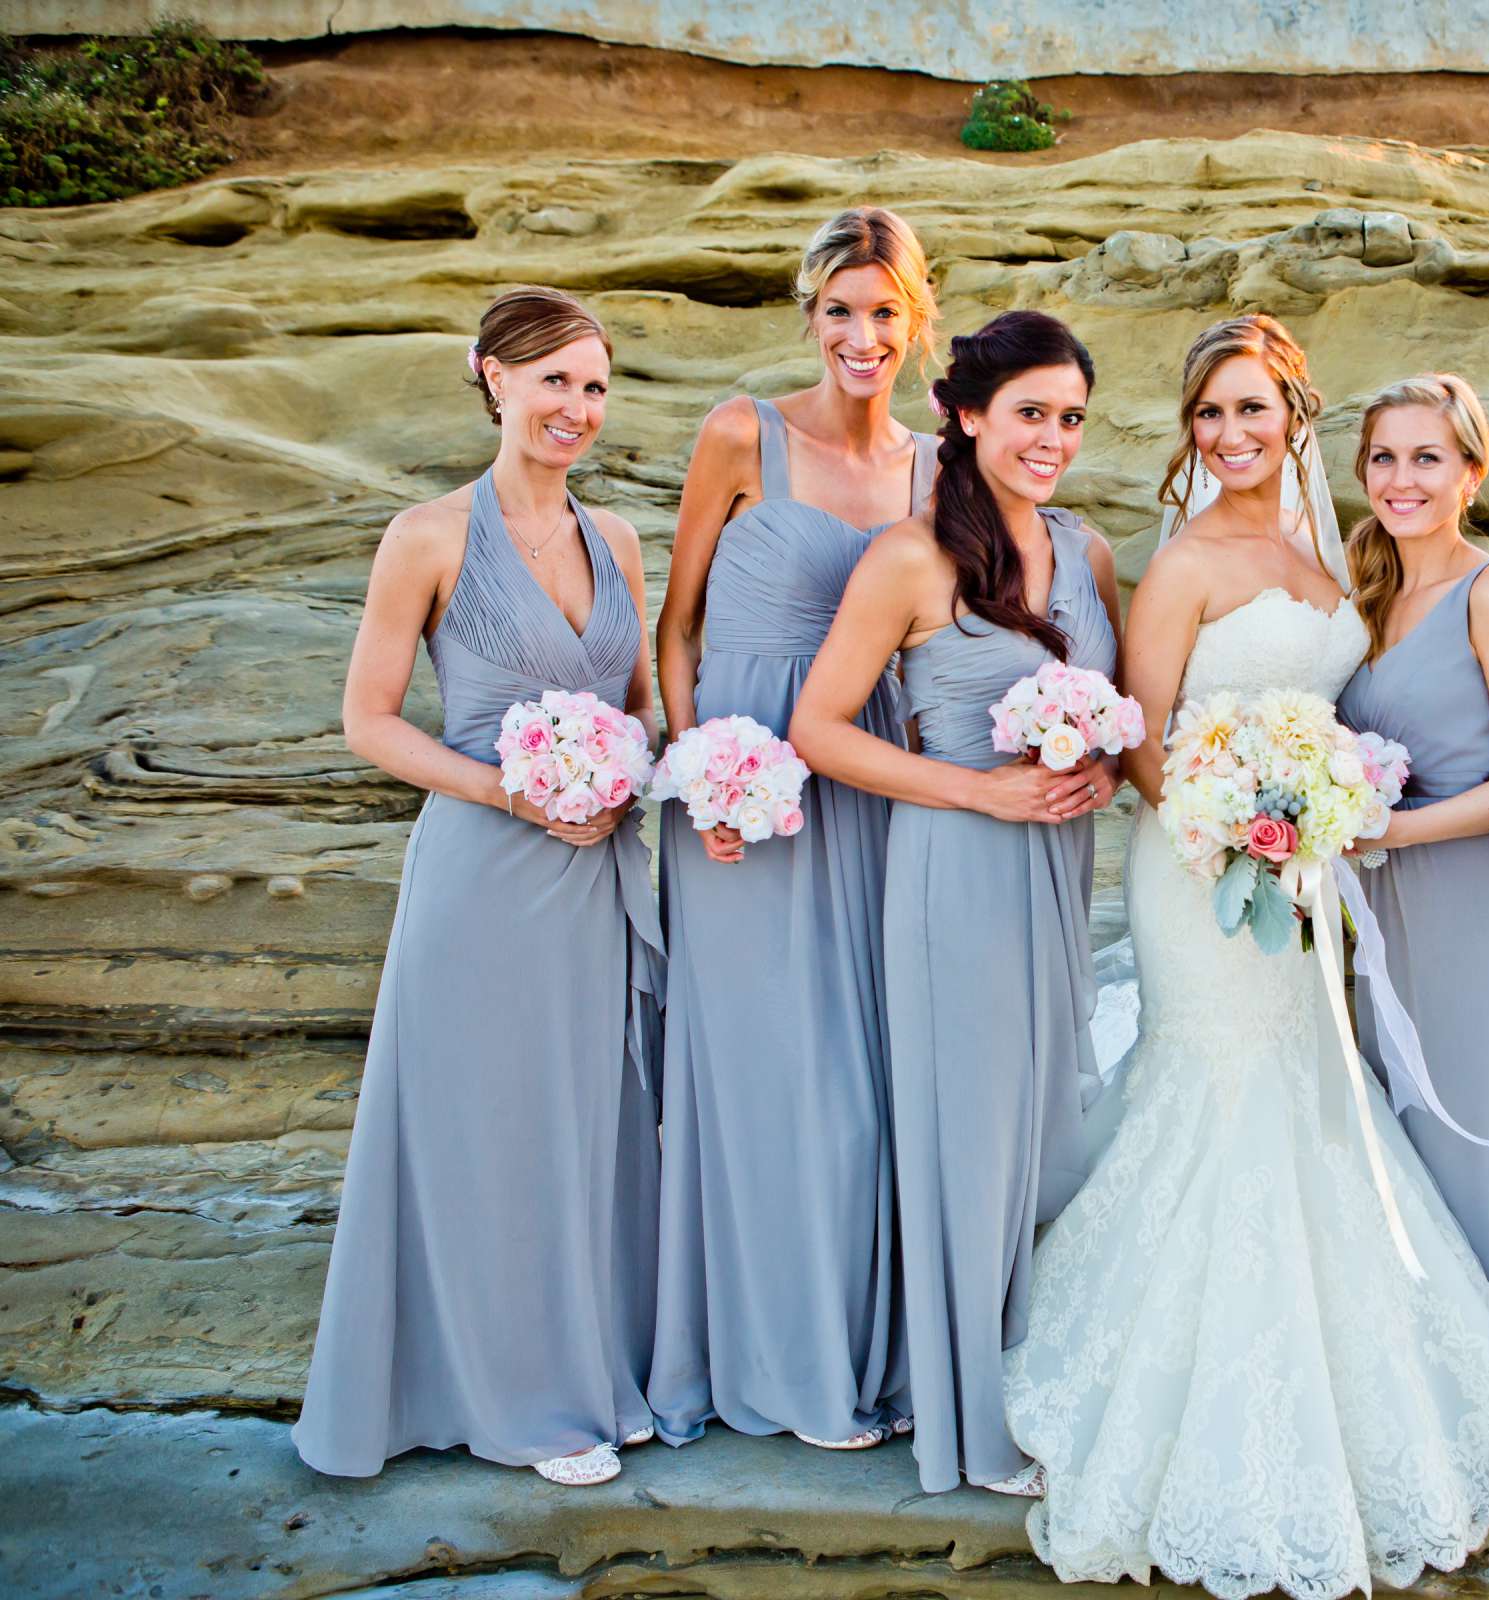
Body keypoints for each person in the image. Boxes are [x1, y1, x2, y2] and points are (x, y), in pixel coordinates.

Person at [1004, 316, 1489, 1599]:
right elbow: (1146, 741)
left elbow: (1353, 708)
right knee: (1215, 1084)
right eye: (1208, 415)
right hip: (1203, 862)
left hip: (1306, 864)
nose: (1230, 436)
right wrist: (1233, 828)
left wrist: (1310, 821)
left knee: (1315, 1093)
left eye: (1252, 411)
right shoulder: (1189, 561)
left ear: (1295, 418)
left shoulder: (1345, 558)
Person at [293, 287, 662, 1486]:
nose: (577, 408)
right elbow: (368, 722)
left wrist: (638, 772)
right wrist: (517, 792)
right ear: (491, 376)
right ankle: (522, 1406)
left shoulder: (619, 542)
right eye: (554, 379)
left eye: (595, 386)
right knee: (486, 1131)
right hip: (483, 872)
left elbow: (642, 702)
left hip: (597, 871)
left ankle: (597, 1368)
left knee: (589, 1123)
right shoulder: (429, 536)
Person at [789, 309, 1121, 1496]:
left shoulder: (1084, 553)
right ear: (967, 413)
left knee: (1042, 1124)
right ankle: (969, 1420)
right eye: (1031, 412)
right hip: (955, 870)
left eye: (1071, 418)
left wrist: (1102, 764)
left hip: (1055, 870)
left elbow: (1115, 713)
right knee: (970, 1136)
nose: (1052, 439)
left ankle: (1030, 1374)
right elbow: (819, 730)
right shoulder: (909, 557)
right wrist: (976, 794)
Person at [647, 208, 936, 1452]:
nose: (861, 336)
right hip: (745, 809)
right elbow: (678, 631)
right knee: (778, 1083)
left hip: (878, 789)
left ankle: (871, 1351)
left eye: (884, 311)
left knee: (872, 1082)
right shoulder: (740, 434)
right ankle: (782, 1370)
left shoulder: (937, 468)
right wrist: (699, 771)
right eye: (839, 311)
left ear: (917, 319)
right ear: (808, 316)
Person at [1333, 374, 1489, 1393]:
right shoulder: (1367, 591)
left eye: (1428, 458)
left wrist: (1398, 826)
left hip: (1480, 903)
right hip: (1382, 904)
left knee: (1476, 1132)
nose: (1403, 480)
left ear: (1473, 473)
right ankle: (1427, 1383)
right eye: (1385, 458)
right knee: (1403, 1135)